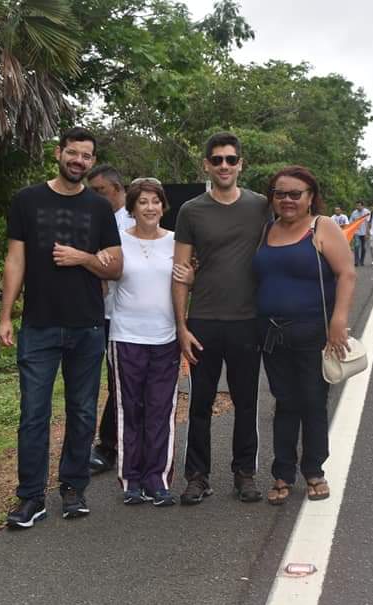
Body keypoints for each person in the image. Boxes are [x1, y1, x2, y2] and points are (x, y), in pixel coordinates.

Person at [0, 127, 123, 528]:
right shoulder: (27, 200)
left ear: (91, 161)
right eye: (73, 153)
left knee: (82, 412)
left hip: (87, 326)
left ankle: (73, 487)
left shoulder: (99, 209)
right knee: (33, 414)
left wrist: (82, 258)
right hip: (39, 325)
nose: (79, 161)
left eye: (86, 156)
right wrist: (5, 315)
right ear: (58, 153)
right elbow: (15, 261)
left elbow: (116, 265)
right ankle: (31, 497)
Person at [172, 131, 271, 505]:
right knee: (200, 402)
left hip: (248, 320)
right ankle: (197, 477)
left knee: (247, 401)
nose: (225, 166)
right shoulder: (191, 211)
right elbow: (180, 269)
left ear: (241, 164)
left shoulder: (261, 206)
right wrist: (181, 326)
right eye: (217, 160)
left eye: (231, 159)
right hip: (204, 322)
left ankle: (244, 473)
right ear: (207, 165)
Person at [253, 166, 356, 505]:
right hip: (272, 334)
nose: (287, 200)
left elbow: (346, 274)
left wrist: (338, 320)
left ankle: (313, 470)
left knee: (312, 402)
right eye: (280, 194)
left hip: (315, 333)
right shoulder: (266, 229)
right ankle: (282, 472)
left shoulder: (322, 227)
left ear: (311, 197)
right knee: (284, 403)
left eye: (295, 194)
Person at [108, 179, 182, 506]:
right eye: (143, 202)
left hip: (166, 337)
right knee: (129, 408)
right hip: (125, 336)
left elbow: (186, 283)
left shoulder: (177, 242)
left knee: (160, 409)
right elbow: (102, 279)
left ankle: (158, 478)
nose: (150, 208)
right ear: (132, 208)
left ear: (163, 206)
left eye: (155, 202)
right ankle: (131, 479)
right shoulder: (117, 242)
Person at [86, 164, 136, 474]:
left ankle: (110, 446)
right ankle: (113, 444)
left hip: (131, 312)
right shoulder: (96, 219)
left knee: (124, 381)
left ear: (117, 189)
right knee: (115, 380)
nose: (94, 196)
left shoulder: (133, 221)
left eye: (99, 191)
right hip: (103, 312)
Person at [349, 200, 369, 266]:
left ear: (363, 206)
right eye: (357, 205)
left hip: (364, 232)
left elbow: (368, 223)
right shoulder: (354, 213)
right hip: (356, 232)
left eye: (359, 205)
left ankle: (362, 261)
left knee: (364, 248)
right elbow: (351, 223)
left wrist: (367, 233)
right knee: (356, 246)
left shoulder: (366, 212)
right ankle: (356, 262)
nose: (358, 207)